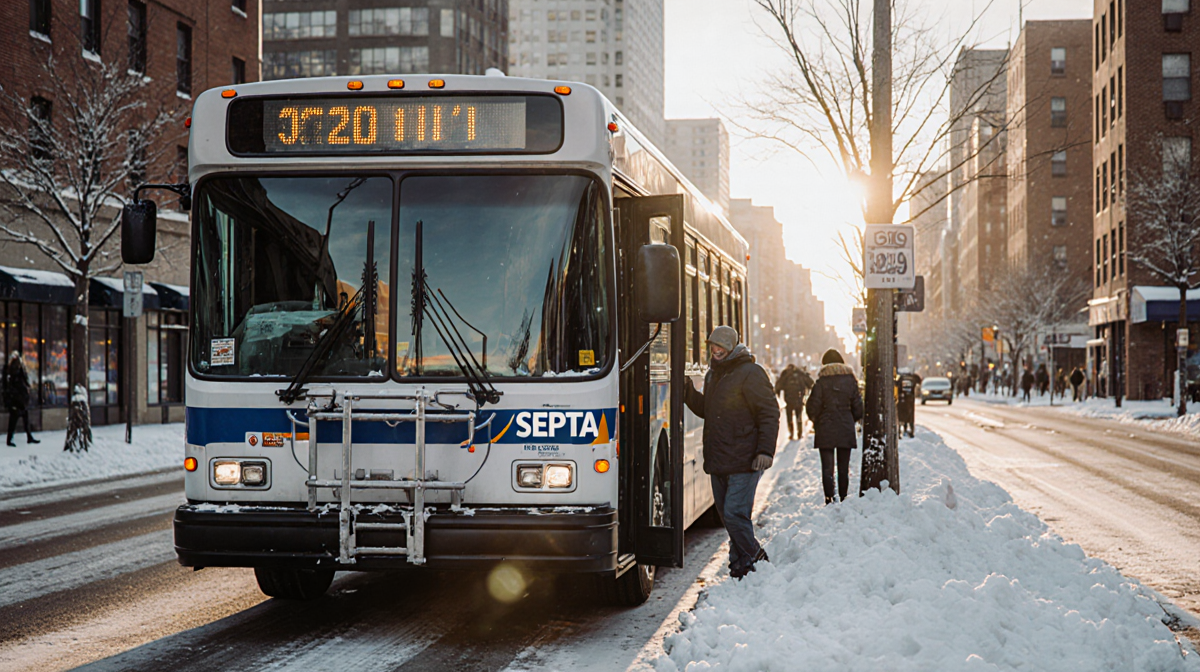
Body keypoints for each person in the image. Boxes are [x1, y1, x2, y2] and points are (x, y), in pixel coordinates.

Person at [685, 326, 780, 579]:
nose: (716, 350)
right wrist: (686, 391)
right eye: (713, 345)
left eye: (722, 347)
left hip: (745, 460)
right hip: (719, 460)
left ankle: (757, 558)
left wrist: (765, 451)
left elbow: (769, 413)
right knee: (728, 518)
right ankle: (740, 565)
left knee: (735, 515)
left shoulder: (751, 373)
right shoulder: (714, 374)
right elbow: (707, 409)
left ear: (732, 348)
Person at [806, 349, 863, 504]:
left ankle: (829, 497)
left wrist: (817, 420)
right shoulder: (851, 381)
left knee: (827, 467)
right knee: (843, 467)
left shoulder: (821, 382)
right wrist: (851, 419)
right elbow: (858, 407)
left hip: (825, 427)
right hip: (845, 427)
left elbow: (812, 406)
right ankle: (843, 496)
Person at [4, 351, 39, 447]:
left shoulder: (17, 372)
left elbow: (24, 381)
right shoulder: (12, 372)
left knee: (23, 418)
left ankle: (28, 437)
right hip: (16, 399)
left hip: (20, 399)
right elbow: (10, 386)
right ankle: (11, 439)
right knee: (14, 420)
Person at [774, 363, 814, 440]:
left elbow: (778, 385)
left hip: (789, 399)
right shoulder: (800, 374)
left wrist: (778, 394)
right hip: (799, 398)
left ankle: (791, 433)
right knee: (798, 416)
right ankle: (799, 433)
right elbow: (810, 383)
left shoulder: (786, 374)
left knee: (789, 417)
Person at [896, 369, 920, 438]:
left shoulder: (900, 378)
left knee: (901, 416)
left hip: (901, 400)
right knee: (910, 416)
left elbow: (896, 384)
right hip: (910, 400)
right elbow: (919, 381)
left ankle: (901, 429)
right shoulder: (913, 378)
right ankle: (910, 430)